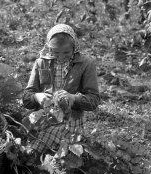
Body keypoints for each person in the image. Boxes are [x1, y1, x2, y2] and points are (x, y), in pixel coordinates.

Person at [22, 24, 100, 152]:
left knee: (52, 153)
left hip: (71, 122)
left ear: (74, 48)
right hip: (44, 120)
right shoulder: (41, 62)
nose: (61, 56)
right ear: (49, 47)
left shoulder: (86, 64)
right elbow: (26, 98)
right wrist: (36, 96)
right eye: (56, 52)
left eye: (66, 52)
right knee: (34, 152)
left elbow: (94, 101)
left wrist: (73, 98)